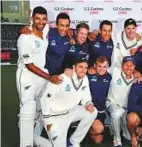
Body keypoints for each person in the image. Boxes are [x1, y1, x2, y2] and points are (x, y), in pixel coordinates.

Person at [16, 6, 61, 147]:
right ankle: (26, 144)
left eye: (43, 19)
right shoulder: (24, 37)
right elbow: (29, 65)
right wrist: (49, 77)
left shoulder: (46, 30)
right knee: (28, 109)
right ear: (32, 19)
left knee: (41, 107)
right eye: (37, 19)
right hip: (27, 76)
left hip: (41, 76)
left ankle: (34, 137)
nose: (41, 22)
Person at [40, 58, 97, 147]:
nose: (83, 70)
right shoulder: (62, 78)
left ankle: (73, 141)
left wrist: (88, 103)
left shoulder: (85, 78)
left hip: (69, 112)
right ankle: (34, 138)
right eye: (80, 67)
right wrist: (47, 121)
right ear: (74, 67)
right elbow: (44, 99)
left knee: (93, 111)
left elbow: (86, 95)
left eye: (85, 68)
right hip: (55, 116)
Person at [106, 56, 136, 147]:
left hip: (125, 109)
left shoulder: (136, 78)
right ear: (122, 66)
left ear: (134, 67)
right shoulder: (115, 71)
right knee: (116, 114)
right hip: (112, 103)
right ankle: (117, 140)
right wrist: (91, 69)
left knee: (128, 137)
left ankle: (113, 127)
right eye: (126, 65)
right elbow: (101, 69)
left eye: (131, 65)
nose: (128, 67)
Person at [88, 56, 112, 144]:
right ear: (94, 65)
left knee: (98, 140)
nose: (102, 69)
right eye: (99, 66)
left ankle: (89, 129)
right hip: (89, 109)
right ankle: (84, 128)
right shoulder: (89, 75)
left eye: (104, 67)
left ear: (108, 67)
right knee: (99, 129)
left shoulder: (109, 77)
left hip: (101, 111)